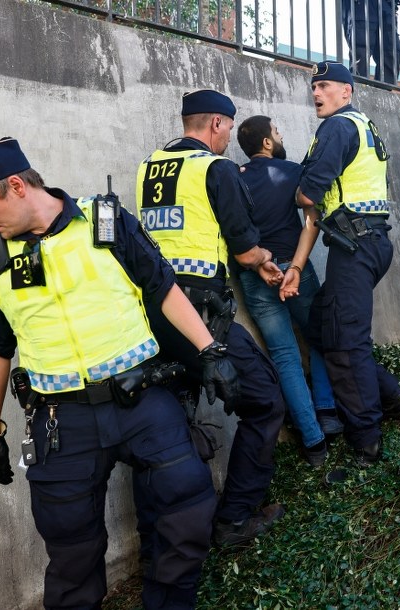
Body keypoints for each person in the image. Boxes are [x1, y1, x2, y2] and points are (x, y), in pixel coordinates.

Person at [0, 137, 239, 608]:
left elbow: (161, 286)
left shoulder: (104, 221)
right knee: (71, 551)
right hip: (61, 423)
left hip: (141, 400)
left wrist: (209, 351)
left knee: (186, 511)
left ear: (17, 186)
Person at [135, 90, 287, 547]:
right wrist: (262, 256)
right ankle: (233, 521)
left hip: (152, 315)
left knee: (165, 425)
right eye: (226, 131)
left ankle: (157, 542)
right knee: (265, 402)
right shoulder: (214, 168)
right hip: (201, 315)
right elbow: (243, 248)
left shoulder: (148, 167)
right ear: (217, 124)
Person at [295, 61, 400, 468]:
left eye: (324, 85)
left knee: (346, 343)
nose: (316, 93)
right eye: (313, 86)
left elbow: (308, 196)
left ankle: (366, 440)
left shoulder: (337, 127)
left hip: (355, 245)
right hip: (368, 242)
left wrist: (294, 188)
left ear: (346, 91)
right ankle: (391, 396)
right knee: (321, 327)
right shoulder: (360, 124)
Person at [235, 115, 340, 467]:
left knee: (284, 356)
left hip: (255, 273)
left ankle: (313, 445)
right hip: (295, 268)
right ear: (267, 142)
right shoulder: (291, 171)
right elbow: (312, 210)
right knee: (320, 335)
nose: (280, 137)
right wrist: (294, 266)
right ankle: (326, 410)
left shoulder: (235, 177)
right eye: (277, 132)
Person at [341, 0, 400, 84]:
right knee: (362, 48)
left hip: (386, 4)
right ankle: (359, 88)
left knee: (391, 51)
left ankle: (383, 91)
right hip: (361, 4)